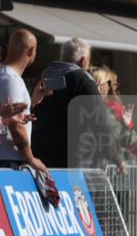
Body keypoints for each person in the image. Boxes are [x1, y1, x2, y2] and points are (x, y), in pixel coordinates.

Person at [32, 37, 122, 170]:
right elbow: (100, 122)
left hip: (40, 155)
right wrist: (116, 158)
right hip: (70, 158)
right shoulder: (82, 81)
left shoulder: (45, 77)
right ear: (84, 60)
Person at [0, 29, 48, 171]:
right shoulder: (11, 80)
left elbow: (11, 116)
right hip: (7, 160)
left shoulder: (0, 73)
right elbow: (15, 125)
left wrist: (33, 101)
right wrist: (31, 159)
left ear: (8, 47)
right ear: (31, 51)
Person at [91, 67, 137, 164]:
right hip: (107, 169)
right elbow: (129, 141)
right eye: (112, 84)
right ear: (102, 87)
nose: (113, 88)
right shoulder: (106, 112)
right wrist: (127, 124)